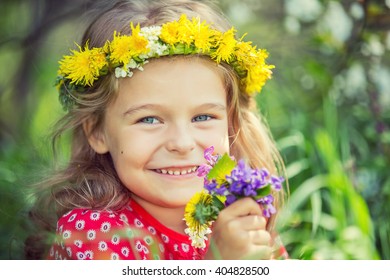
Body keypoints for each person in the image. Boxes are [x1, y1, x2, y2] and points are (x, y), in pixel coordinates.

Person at [26, 0, 289, 260]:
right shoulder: (91, 234)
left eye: (203, 116)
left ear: (231, 122)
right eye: (150, 120)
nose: (182, 143)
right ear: (97, 132)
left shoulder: (240, 217)